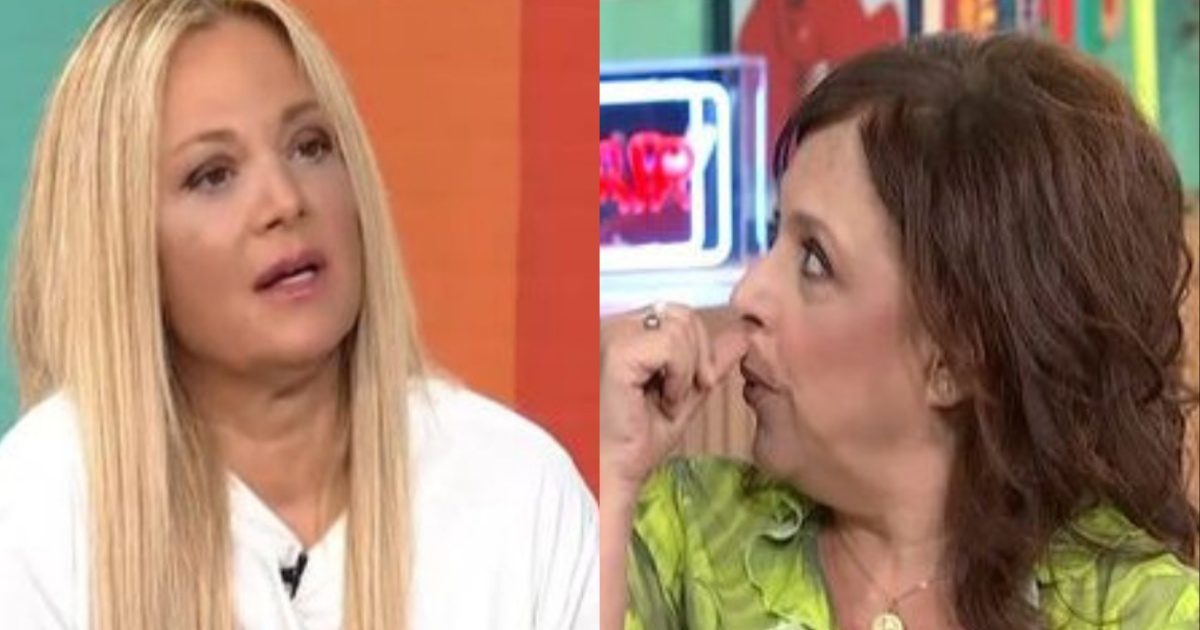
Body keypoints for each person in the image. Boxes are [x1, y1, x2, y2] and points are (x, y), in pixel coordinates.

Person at [0, 1, 597, 629]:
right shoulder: (37, 512)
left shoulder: (516, 486)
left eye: (309, 147)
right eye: (213, 176)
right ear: (121, 238)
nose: (285, 201)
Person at [600, 33, 1199, 630]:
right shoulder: (680, 538)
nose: (747, 294)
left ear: (958, 357)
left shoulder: (1141, 613)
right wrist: (614, 466)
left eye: (814, 260)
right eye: (775, 231)